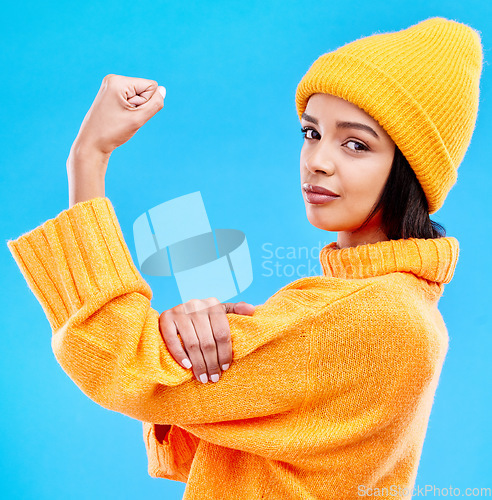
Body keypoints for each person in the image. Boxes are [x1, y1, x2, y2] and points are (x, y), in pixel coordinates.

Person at [7, 16, 482, 500]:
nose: (317, 159)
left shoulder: (374, 316)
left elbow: (119, 357)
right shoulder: (387, 308)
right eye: (312, 132)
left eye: (356, 144)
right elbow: (210, 450)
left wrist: (88, 156)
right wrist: (195, 344)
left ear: (411, 171)